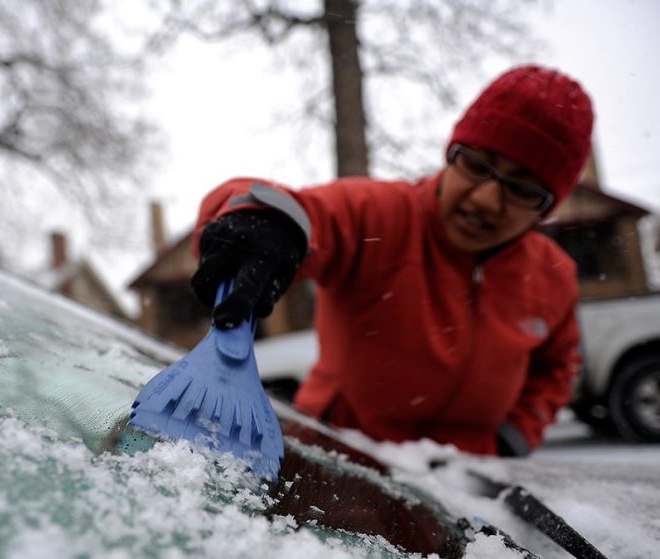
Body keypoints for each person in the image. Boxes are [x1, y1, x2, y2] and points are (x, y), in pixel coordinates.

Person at [189, 65, 594, 457]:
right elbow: (302, 211)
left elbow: (557, 368)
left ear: (545, 209)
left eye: (522, 188)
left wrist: (512, 438)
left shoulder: (553, 276)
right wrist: (265, 221)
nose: (486, 199)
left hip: (464, 480)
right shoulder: (379, 215)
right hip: (339, 462)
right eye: (475, 164)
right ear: (452, 153)